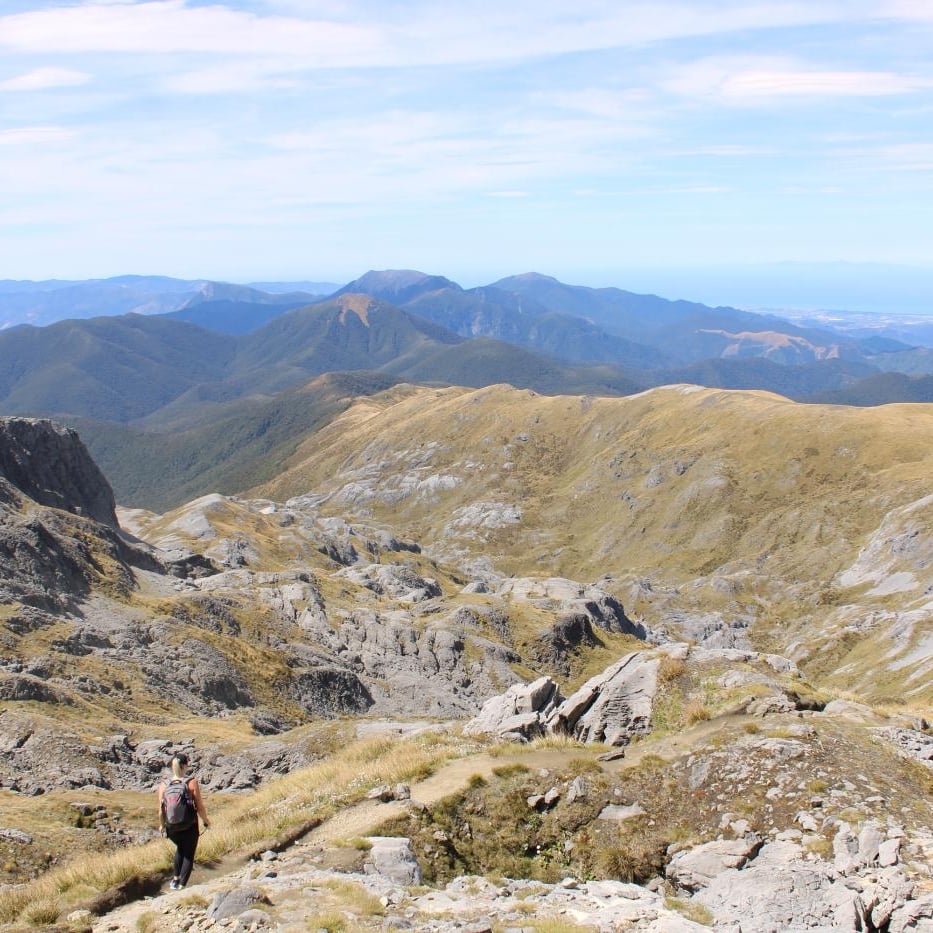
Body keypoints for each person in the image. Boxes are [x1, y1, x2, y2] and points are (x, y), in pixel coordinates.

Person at [157, 752, 210, 889]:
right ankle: (182, 885)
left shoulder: (164, 785)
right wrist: (206, 821)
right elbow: (199, 806)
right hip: (189, 824)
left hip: (171, 826)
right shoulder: (191, 782)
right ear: (185, 765)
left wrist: (162, 826)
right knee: (188, 853)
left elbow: (161, 810)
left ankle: (175, 880)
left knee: (180, 849)